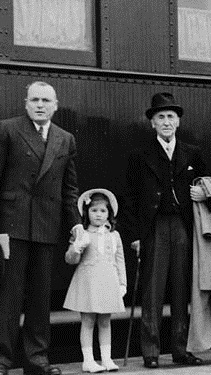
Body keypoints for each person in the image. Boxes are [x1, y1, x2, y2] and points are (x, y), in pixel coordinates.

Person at [0, 81, 82, 375]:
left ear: (56, 105)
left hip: (47, 226)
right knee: (9, 296)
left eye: (46, 100)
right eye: (34, 99)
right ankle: (2, 360)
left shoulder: (65, 139)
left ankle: (37, 360)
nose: (39, 105)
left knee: (40, 295)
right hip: (12, 227)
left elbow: (69, 188)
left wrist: (76, 226)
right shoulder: (7, 130)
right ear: (25, 103)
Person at [120, 92, 206, 369]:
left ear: (178, 122)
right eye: (161, 117)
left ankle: (181, 349)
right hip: (153, 227)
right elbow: (130, 197)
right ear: (152, 123)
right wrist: (134, 236)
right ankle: (151, 351)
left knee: (182, 288)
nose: (166, 122)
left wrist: (202, 193)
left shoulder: (192, 153)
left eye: (171, 116)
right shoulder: (139, 156)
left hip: (182, 225)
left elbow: (207, 186)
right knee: (153, 290)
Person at [63, 189, 126, 373]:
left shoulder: (114, 236)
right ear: (86, 212)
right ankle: (88, 360)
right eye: (94, 210)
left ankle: (106, 358)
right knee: (88, 321)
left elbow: (120, 260)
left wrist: (123, 283)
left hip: (108, 281)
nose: (98, 215)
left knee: (105, 321)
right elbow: (70, 259)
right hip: (88, 282)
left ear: (109, 214)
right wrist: (76, 248)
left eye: (103, 211)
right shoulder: (82, 234)